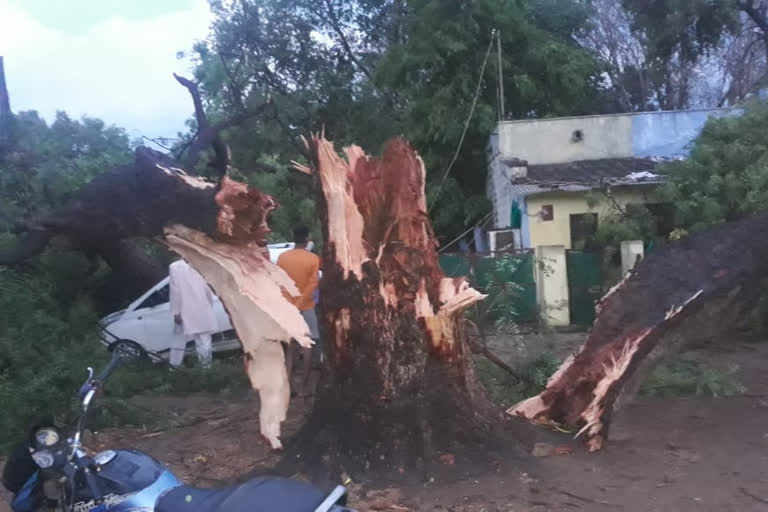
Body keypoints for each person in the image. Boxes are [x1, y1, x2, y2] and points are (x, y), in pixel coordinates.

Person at [277, 225, 320, 395]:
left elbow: (280, 281)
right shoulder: (312, 259)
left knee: (290, 347)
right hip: (307, 307)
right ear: (308, 238)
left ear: (293, 236)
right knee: (307, 346)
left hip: (287, 307)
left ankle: (289, 387)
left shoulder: (282, 258)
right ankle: (303, 387)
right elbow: (312, 284)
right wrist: (301, 303)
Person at [168, 258, 217, 368]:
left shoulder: (175, 267)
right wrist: (209, 304)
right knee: (204, 340)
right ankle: (206, 367)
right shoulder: (199, 264)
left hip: (185, 309)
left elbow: (174, 291)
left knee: (180, 338)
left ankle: (174, 366)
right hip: (202, 307)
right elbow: (207, 288)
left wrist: (176, 312)